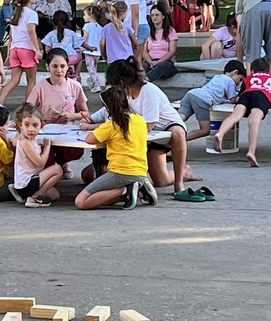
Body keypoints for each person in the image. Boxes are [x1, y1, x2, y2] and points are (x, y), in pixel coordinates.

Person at [83, 58, 198, 193]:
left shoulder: (149, 92)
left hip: (164, 131)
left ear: (120, 83)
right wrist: (89, 120)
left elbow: (147, 126)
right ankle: (186, 172)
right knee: (161, 180)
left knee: (178, 132)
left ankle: (179, 182)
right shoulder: (123, 95)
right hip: (145, 137)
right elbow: (107, 112)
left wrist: (98, 128)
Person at [75, 87, 151, 210]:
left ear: (108, 108)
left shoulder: (112, 124)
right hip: (141, 171)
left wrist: (98, 127)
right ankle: (135, 186)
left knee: (81, 202)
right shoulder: (140, 120)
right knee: (103, 201)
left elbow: (89, 139)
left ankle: (125, 190)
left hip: (121, 172)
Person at [27, 48, 89, 180]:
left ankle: (62, 162)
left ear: (68, 67)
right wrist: (43, 118)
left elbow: (85, 113)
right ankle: (50, 170)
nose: (59, 70)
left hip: (67, 132)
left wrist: (72, 116)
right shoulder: (40, 87)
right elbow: (27, 111)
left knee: (77, 151)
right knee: (46, 158)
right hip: (45, 132)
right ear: (47, 67)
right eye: (54, 66)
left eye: (62, 66)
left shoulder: (75, 86)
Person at [211, 58, 271, 167]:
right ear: (267, 70)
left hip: (247, 94)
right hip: (262, 96)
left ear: (252, 71)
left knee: (235, 116)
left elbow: (239, 96)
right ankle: (251, 151)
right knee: (254, 121)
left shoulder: (249, 78)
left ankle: (220, 133)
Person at [8, 103, 63, 208]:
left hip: (30, 180)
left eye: (35, 125)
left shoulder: (26, 138)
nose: (31, 129)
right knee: (58, 169)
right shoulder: (25, 142)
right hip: (27, 183)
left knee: (55, 195)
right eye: (27, 125)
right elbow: (41, 162)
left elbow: (15, 140)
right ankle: (34, 197)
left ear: (41, 125)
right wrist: (47, 146)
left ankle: (19, 192)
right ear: (21, 125)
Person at [178, 59, 245, 141]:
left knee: (179, 120)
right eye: (240, 79)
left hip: (191, 93)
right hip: (202, 100)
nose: (239, 83)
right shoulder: (230, 81)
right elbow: (233, 99)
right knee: (205, 130)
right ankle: (178, 141)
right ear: (235, 72)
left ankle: (164, 136)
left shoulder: (217, 77)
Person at [0, 0, 40, 104]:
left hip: (14, 49)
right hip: (27, 49)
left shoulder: (14, 14)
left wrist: (8, 54)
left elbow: (11, 36)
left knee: (14, 79)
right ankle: (28, 105)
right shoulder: (32, 13)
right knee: (31, 80)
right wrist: (37, 49)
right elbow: (31, 31)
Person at [42, 11, 87, 78]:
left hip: (56, 58)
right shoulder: (71, 33)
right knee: (80, 57)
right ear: (67, 21)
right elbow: (81, 43)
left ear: (53, 22)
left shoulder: (50, 34)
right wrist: (90, 48)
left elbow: (47, 48)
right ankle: (76, 76)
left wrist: (49, 53)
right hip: (71, 58)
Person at [141, 4, 178, 82]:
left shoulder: (170, 31)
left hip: (166, 62)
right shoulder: (148, 31)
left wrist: (158, 62)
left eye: (157, 15)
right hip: (150, 61)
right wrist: (150, 62)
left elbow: (172, 51)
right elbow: (144, 52)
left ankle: (145, 81)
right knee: (142, 67)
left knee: (163, 66)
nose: (154, 17)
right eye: (152, 15)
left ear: (163, 16)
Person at [81, 4, 106, 92]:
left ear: (90, 15)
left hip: (89, 51)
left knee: (91, 68)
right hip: (98, 51)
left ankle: (96, 84)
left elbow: (85, 37)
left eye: (85, 14)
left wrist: (81, 44)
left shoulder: (87, 26)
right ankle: (92, 82)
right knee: (94, 67)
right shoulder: (100, 27)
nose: (83, 16)